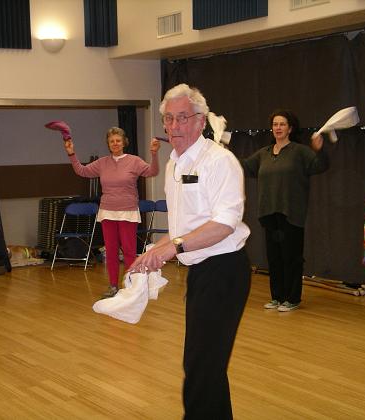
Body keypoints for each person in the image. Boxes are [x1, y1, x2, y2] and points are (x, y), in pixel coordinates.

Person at [131, 84, 251, 419]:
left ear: (200, 121)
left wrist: (175, 247)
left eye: (182, 118)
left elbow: (225, 223)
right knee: (203, 364)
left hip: (224, 271)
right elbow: (183, 226)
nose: (174, 126)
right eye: (168, 119)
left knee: (202, 365)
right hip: (201, 274)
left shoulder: (220, 162)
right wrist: (155, 249)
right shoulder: (172, 164)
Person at [240, 110, 329, 312]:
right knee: (274, 257)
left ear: (290, 128)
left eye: (282, 124)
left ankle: (292, 298)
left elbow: (320, 165)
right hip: (269, 213)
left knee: (292, 257)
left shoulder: (299, 151)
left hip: (292, 212)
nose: (278, 127)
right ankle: (277, 297)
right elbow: (243, 166)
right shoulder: (263, 153)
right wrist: (223, 152)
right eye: (275, 124)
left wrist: (319, 150)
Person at [64, 127, 160, 298]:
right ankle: (113, 286)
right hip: (107, 211)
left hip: (127, 211)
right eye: (111, 141)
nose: (115, 144)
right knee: (111, 250)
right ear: (108, 144)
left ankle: (132, 286)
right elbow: (82, 171)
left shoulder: (134, 161)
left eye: (118, 140)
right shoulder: (102, 163)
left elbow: (153, 172)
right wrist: (72, 154)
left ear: (124, 142)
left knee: (129, 251)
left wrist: (154, 154)